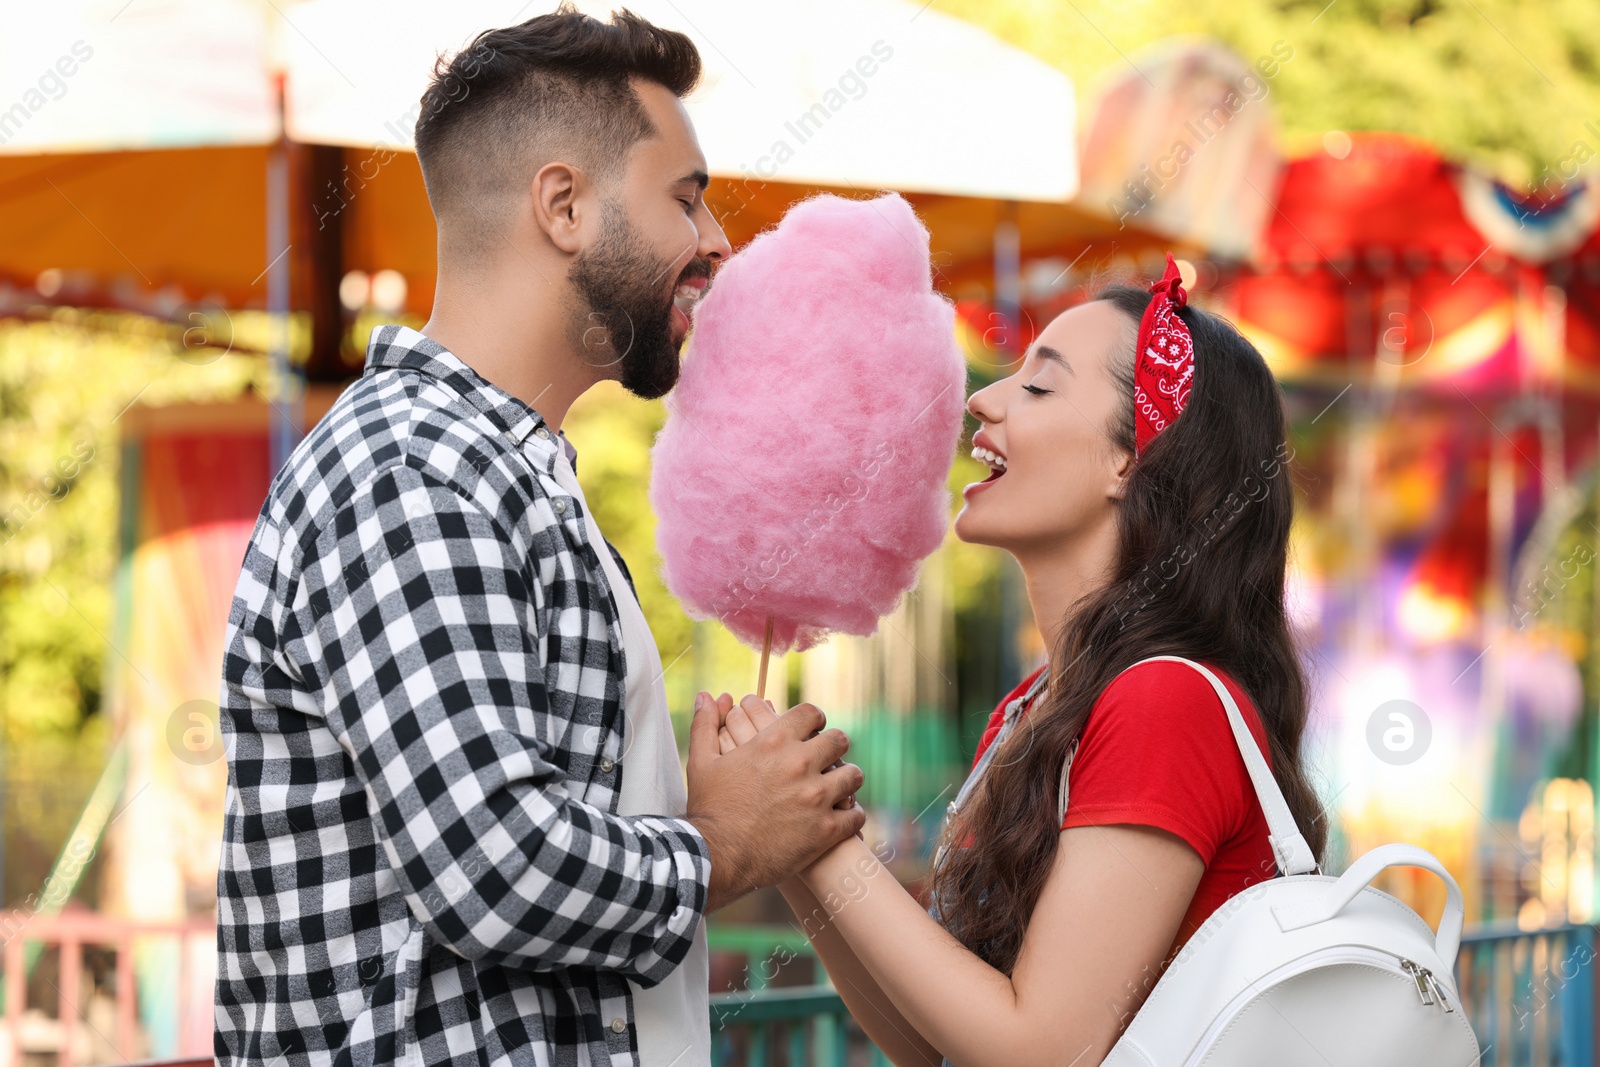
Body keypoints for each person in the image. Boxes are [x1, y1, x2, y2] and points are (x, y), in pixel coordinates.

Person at [213, 8, 864, 1067]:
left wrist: (707, 801)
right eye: (685, 196)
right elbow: (493, 862)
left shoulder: (505, 471)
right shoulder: (410, 471)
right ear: (563, 206)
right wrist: (731, 838)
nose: (716, 242)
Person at [714, 258, 1327, 1066]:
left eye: (1039, 388)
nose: (983, 398)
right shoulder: (1030, 710)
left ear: (1134, 459)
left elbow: (1040, 1050)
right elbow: (933, 1044)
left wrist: (828, 848)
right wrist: (792, 844)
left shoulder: (1165, 702)